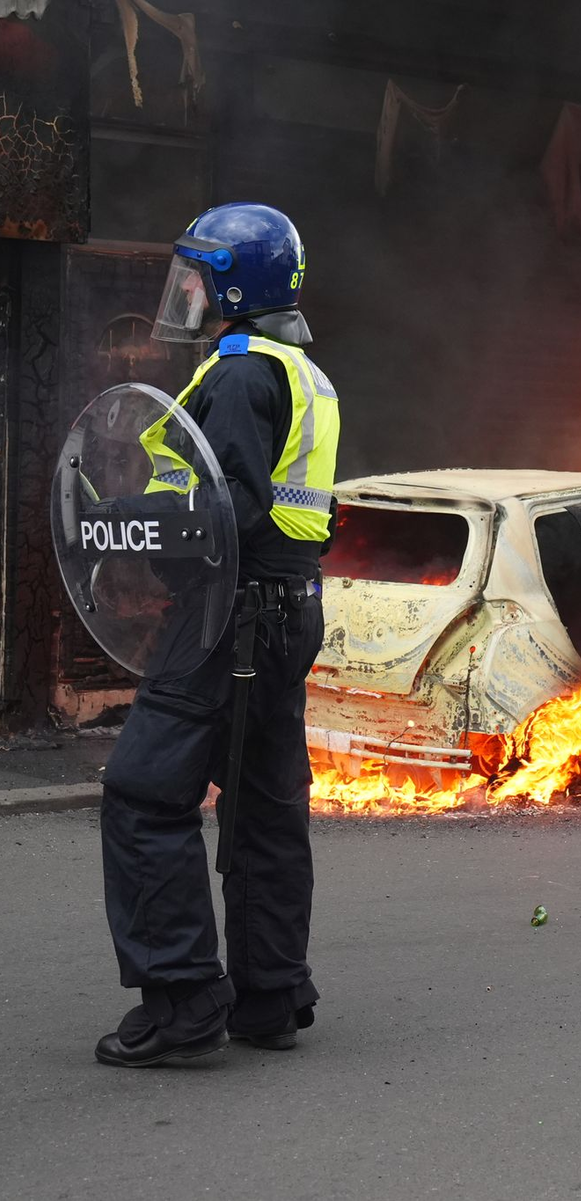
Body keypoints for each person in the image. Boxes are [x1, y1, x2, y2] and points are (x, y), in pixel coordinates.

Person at [94, 203, 341, 1066]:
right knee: (266, 804)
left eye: (198, 277)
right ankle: (270, 995)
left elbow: (227, 509)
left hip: (225, 615)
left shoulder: (238, 372)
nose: (187, 292)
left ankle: (183, 1001)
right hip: (285, 610)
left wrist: (124, 521)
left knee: (142, 794)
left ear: (235, 286)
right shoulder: (299, 370)